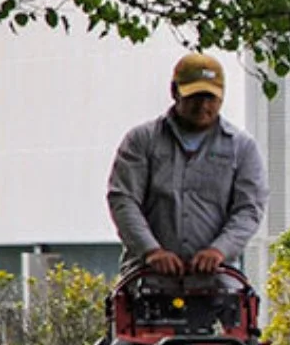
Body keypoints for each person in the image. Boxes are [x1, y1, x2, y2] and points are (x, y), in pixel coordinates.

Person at [107, 52, 268, 277]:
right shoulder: (141, 140)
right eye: (194, 97)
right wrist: (152, 251)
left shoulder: (242, 147)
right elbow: (123, 199)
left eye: (210, 97)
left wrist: (219, 250)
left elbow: (249, 208)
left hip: (218, 281)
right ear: (174, 91)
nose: (202, 105)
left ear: (222, 97)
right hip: (147, 278)